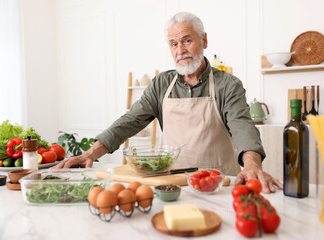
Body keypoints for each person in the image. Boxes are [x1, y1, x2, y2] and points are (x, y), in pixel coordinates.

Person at [52, 12, 283, 193]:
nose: (180, 50)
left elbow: (243, 126)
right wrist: (91, 153)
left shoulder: (227, 85)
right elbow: (131, 121)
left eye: (187, 40)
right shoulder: (162, 84)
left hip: (218, 185)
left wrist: (252, 165)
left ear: (204, 40)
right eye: (173, 44)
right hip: (173, 185)